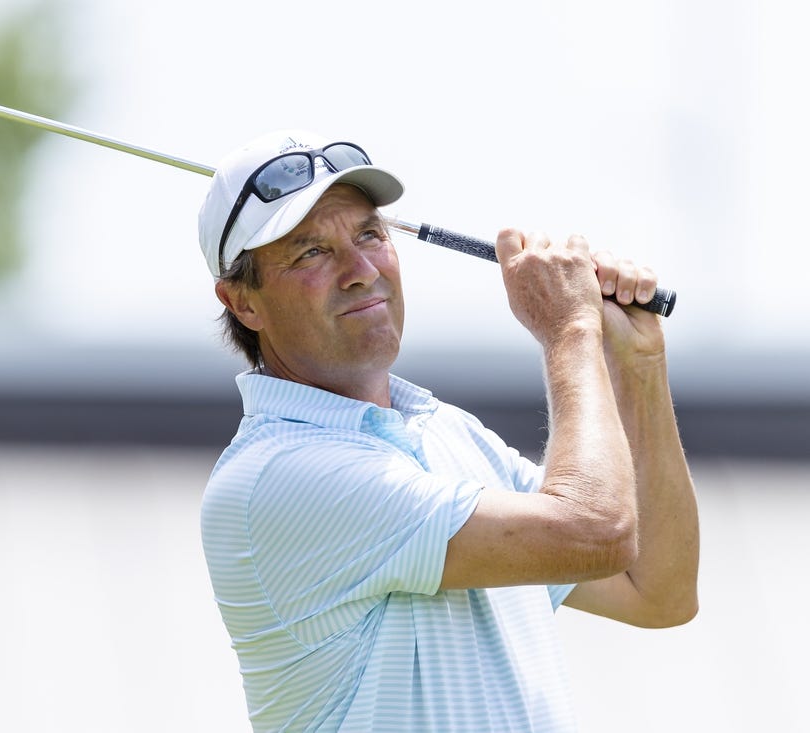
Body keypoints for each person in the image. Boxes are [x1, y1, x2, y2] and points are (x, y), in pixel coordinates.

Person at [197, 130, 699, 732]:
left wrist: (639, 365)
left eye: (369, 234)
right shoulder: (277, 475)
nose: (360, 271)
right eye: (310, 252)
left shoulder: (446, 432)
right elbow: (595, 532)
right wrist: (570, 332)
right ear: (242, 303)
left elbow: (657, 589)